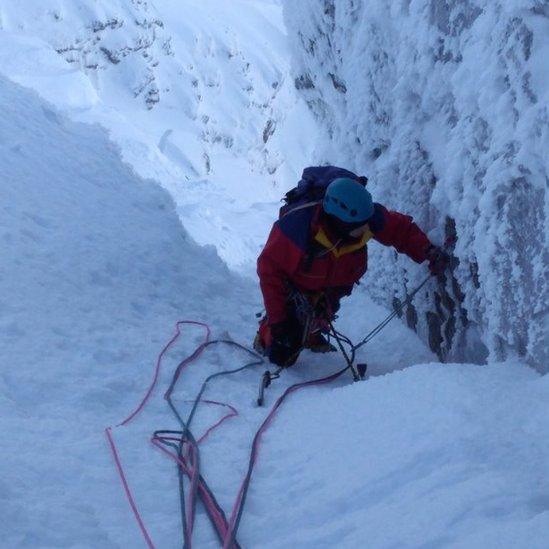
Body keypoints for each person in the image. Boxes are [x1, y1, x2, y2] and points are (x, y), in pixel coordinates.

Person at [254, 168, 448, 367]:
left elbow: (400, 231)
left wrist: (428, 251)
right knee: (283, 353)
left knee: (323, 310)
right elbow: (270, 272)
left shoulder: (363, 216)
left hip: (335, 280)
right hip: (299, 281)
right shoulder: (296, 228)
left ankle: (311, 332)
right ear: (339, 223)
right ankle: (266, 335)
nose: (367, 229)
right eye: (359, 227)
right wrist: (279, 323)